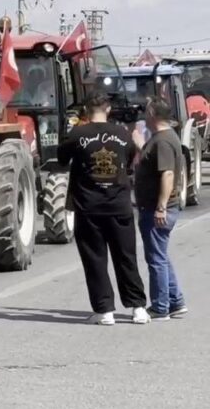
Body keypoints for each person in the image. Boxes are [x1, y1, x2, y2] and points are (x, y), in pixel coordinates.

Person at [56, 91, 149, 325]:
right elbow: (128, 161)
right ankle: (138, 308)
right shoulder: (122, 133)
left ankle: (104, 310)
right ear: (107, 110)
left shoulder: (77, 133)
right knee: (126, 257)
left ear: (86, 111)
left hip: (89, 207)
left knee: (95, 259)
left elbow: (61, 159)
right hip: (119, 204)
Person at [133, 97, 189, 321]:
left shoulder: (163, 141)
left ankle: (160, 307)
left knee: (156, 259)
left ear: (154, 115)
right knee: (161, 256)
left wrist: (161, 207)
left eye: (146, 112)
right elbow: (151, 159)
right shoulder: (159, 139)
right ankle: (176, 302)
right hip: (155, 207)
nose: (144, 116)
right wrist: (139, 143)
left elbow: (167, 173)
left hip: (157, 209)